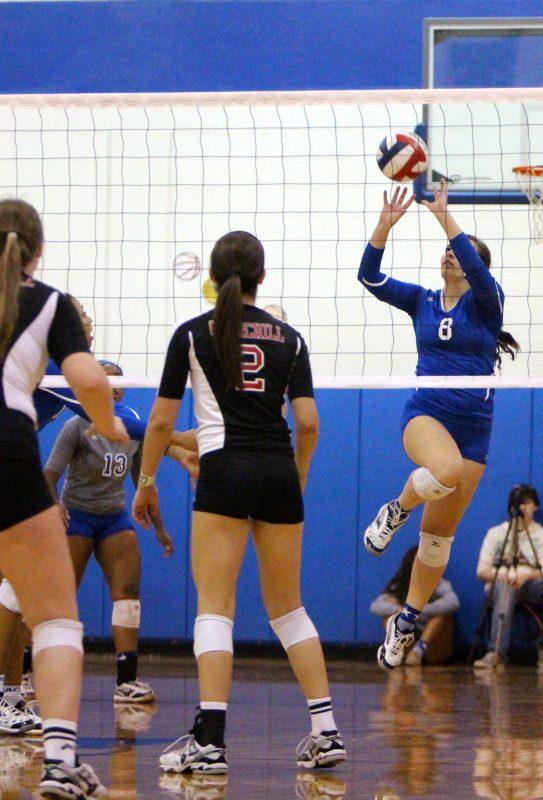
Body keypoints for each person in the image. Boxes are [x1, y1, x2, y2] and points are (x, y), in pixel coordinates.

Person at [132, 230, 345, 773]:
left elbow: (159, 421)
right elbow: (309, 423)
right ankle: (326, 732)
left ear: (213, 277)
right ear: (263, 278)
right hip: (277, 470)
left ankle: (210, 741)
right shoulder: (291, 339)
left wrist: (148, 478)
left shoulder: (191, 335)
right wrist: (296, 478)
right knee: (289, 609)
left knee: (215, 608)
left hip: (224, 472)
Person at [356, 182, 519, 670]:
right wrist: (383, 228)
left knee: (437, 540)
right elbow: (369, 276)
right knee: (443, 469)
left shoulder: (487, 304)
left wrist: (446, 218)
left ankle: (406, 621)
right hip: (426, 415)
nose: (448, 257)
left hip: (475, 428)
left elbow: (478, 272)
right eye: (444, 252)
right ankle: (395, 509)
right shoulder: (421, 301)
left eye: (457, 253)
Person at [0, 197, 121, 798]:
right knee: (54, 619)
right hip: (6, 446)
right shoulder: (49, 301)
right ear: (37, 251)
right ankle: (58, 760)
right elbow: (91, 380)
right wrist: (107, 424)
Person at [44, 359, 180, 705]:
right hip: (78, 516)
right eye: (107, 382)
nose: (115, 388)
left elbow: (142, 480)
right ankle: (31, 671)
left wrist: (160, 529)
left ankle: (126, 681)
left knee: (128, 592)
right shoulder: (76, 425)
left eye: (120, 382)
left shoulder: (133, 427)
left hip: (114, 516)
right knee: (60, 595)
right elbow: (50, 474)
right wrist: (55, 506)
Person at [474, 485, 543, 671]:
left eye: (527, 503)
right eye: (519, 504)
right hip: (500, 585)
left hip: (531, 585)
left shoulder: (542, 536)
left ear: (535, 507)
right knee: (505, 589)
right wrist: (505, 576)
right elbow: (482, 571)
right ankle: (497, 652)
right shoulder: (496, 534)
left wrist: (525, 575)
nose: (522, 508)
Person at [370, 545, 459, 665]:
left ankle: (418, 651)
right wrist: (402, 610)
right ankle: (396, 650)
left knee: (441, 617)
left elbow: (453, 602)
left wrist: (418, 611)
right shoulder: (400, 583)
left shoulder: (437, 582)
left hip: (426, 626)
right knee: (388, 615)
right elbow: (375, 606)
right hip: (406, 625)